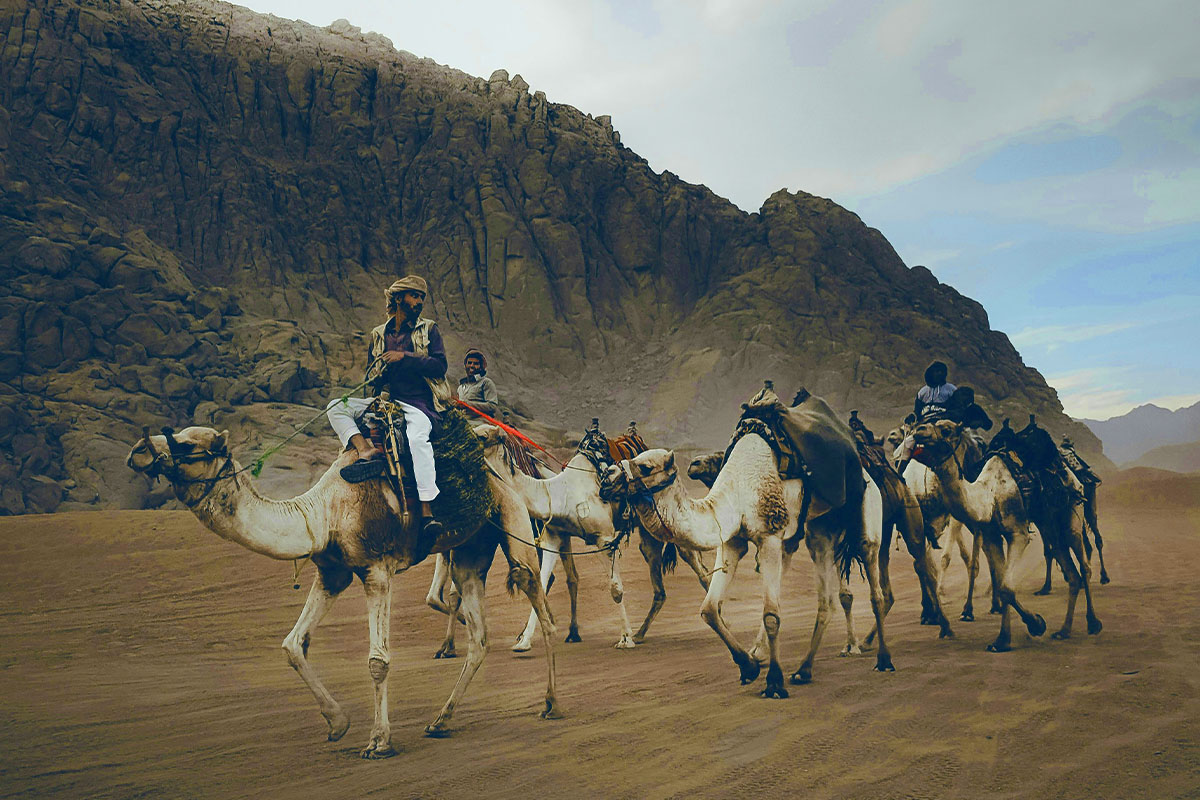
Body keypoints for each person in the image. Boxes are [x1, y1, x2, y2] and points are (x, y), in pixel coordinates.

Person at [325, 275, 451, 539]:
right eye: (414, 296)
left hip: (419, 402)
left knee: (418, 439)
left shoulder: (428, 330)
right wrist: (378, 374)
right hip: (386, 400)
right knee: (337, 406)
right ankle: (366, 451)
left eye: (421, 298)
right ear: (398, 298)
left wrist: (404, 357)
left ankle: (427, 513)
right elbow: (374, 374)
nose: (418, 302)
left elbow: (440, 366)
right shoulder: (379, 334)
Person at [894, 360, 957, 474]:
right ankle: (900, 474)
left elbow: (957, 409)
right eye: (936, 371)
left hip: (943, 424)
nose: (938, 374)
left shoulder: (951, 390)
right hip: (925, 423)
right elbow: (917, 411)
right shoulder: (922, 392)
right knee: (908, 443)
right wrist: (911, 417)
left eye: (941, 371)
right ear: (930, 373)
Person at [457, 348, 500, 417]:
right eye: (469, 363)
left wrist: (467, 405)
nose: (472, 366)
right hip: (463, 422)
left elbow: (492, 407)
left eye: (476, 364)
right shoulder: (461, 387)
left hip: (480, 422)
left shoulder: (486, 383)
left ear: (481, 367)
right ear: (465, 365)